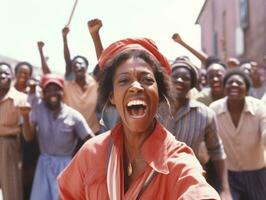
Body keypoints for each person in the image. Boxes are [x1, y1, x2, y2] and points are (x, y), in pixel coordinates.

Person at [58, 38, 220, 200]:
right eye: (124, 80)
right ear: (112, 97)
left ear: (159, 95)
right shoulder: (91, 152)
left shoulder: (177, 160)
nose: (136, 87)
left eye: (147, 80)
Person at [158, 58, 231, 199]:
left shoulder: (205, 114)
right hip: (153, 180)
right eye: (175, 76)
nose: (179, 80)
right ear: (167, 80)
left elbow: (216, 151)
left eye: (185, 78)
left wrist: (225, 188)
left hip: (188, 183)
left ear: (192, 84)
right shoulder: (153, 109)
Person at [20, 73, 94, 200]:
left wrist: (82, 162)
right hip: (44, 164)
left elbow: (90, 140)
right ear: (44, 94)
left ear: (62, 91)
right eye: (48, 90)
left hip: (65, 166)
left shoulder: (73, 115)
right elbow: (28, 137)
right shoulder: (38, 110)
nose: (52, 93)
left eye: (56, 89)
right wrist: (26, 117)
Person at [210, 68, 266, 200]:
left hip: (257, 174)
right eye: (230, 83)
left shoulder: (259, 108)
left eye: (239, 83)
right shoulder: (213, 109)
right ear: (224, 88)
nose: (234, 85)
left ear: (246, 89)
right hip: (228, 176)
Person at [37, 39, 100, 135]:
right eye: (74, 65)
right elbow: (48, 75)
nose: (77, 66)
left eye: (80, 63)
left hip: (93, 131)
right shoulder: (66, 85)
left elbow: (103, 63)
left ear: (87, 66)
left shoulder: (95, 84)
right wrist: (41, 51)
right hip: (72, 133)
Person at [0, 62, 29, 200]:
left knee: (11, 188)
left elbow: (25, 129)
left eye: (6, 73)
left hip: (9, 145)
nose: (3, 76)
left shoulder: (21, 98)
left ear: (12, 76)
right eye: (0, 73)